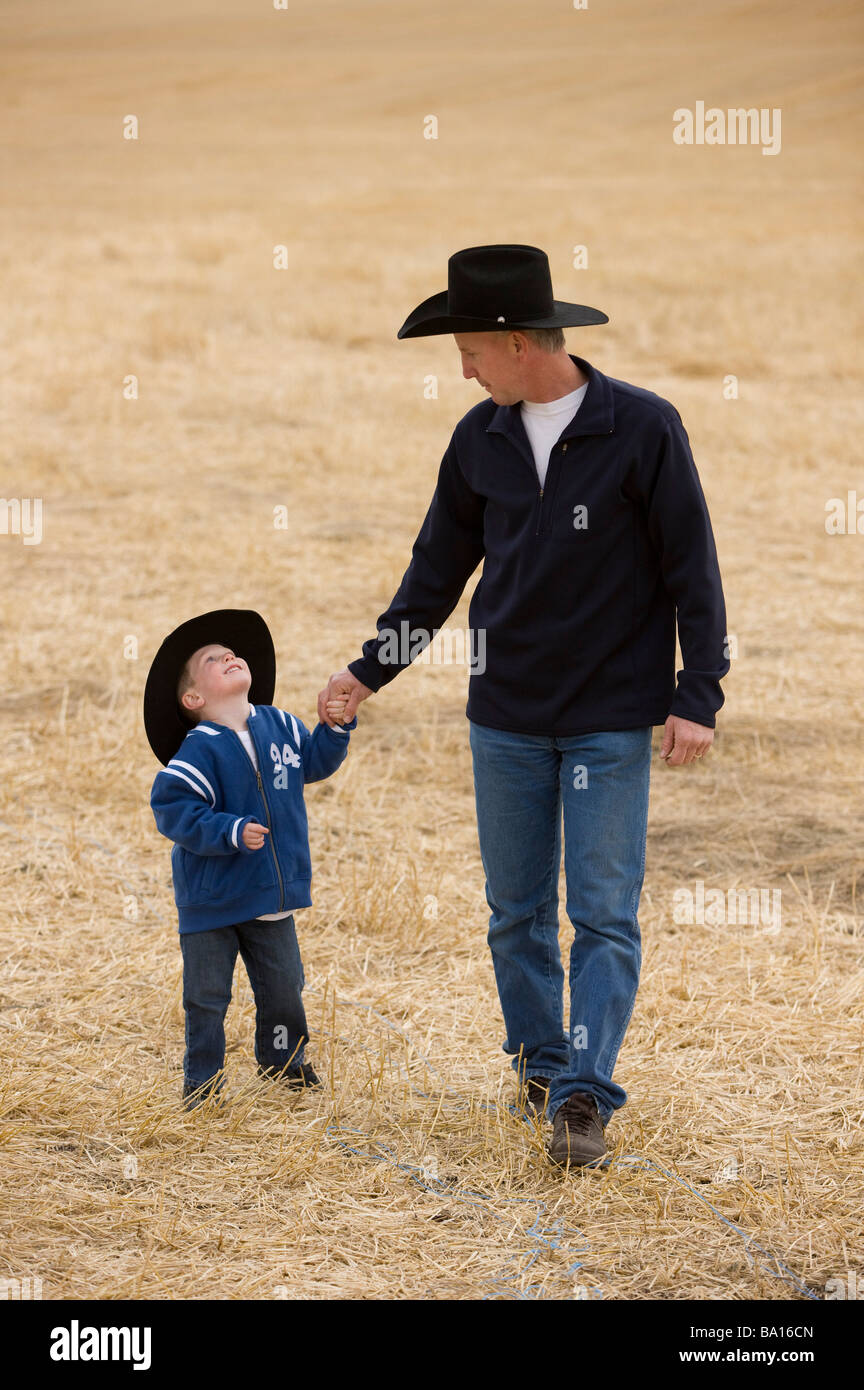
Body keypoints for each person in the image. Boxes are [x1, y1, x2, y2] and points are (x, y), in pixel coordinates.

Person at [317, 244, 730, 1167]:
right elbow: (435, 574)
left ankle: (585, 1094)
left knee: (604, 912)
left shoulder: (643, 428)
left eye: (468, 349)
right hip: (504, 714)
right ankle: (543, 1070)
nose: (461, 369)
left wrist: (695, 693)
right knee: (514, 912)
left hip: (611, 715)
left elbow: (691, 568)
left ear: (513, 342)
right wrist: (367, 671)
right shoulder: (481, 438)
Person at [144, 608, 355, 1109]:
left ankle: (283, 1062)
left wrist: (334, 728)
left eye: (232, 653)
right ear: (194, 698)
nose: (230, 656)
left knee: (284, 987)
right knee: (207, 996)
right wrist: (230, 830)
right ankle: (203, 1081)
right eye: (214, 659)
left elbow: (313, 763)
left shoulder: (279, 724)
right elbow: (171, 809)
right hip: (212, 898)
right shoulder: (199, 750)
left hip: (269, 890)